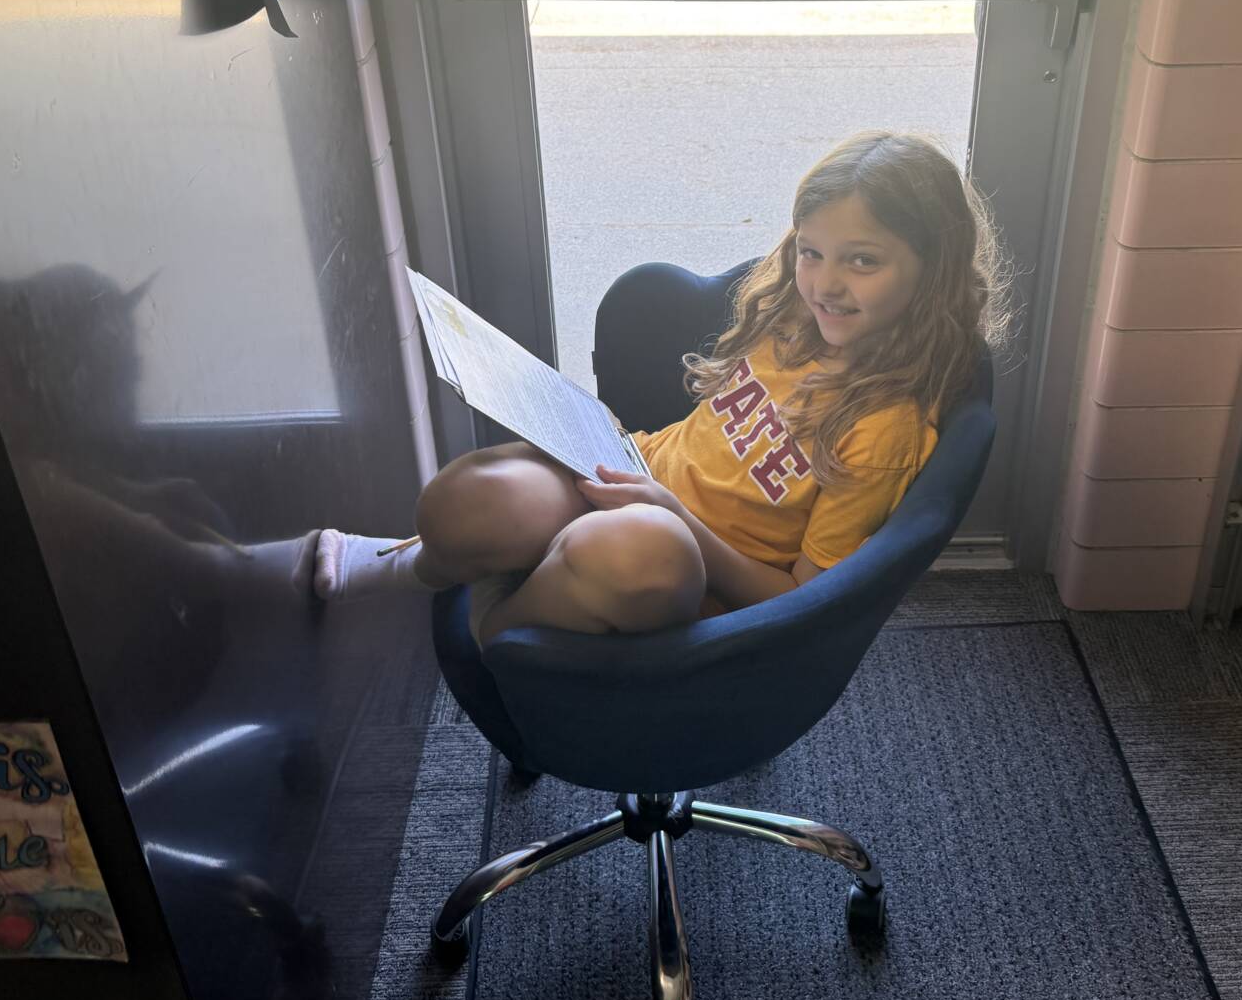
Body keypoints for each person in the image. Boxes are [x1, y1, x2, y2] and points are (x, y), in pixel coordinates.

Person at [308, 131, 1011, 649]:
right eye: (812, 252)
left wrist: (675, 515)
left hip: (695, 574)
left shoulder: (884, 428)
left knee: (637, 554)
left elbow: (805, 597)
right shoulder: (793, 316)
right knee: (463, 504)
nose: (826, 284)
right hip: (639, 479)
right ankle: (420, 569)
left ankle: (504, 639)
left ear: (933, 268)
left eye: (863, 261)